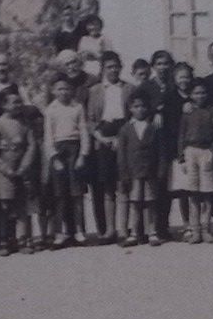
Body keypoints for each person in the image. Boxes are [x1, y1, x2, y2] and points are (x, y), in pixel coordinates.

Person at [87, 51, 133, 243]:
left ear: (121, 67)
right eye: (109, 67)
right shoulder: (95, 90)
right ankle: (109, 230)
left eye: (116, 66)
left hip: (124, 135)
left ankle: (123, 229)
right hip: (103, 137)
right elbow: (90, 120)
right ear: (103, 69)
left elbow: (133, 117)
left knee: (123, 184)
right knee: (107, 186)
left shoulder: (129, 88)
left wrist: (121, 139)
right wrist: (101, 138)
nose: (113, 70)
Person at [0, 89, 39, 255]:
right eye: (13, 102)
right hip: (5, 172)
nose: (18, 105)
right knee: (5, 205)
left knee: (22, 206)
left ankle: (23, 238)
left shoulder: (25, 123)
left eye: (19, 101)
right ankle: (5, 239)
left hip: (23, 169)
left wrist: (24, 166)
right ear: (4, 105)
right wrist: (5, 168)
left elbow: (32, 146)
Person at [44, 73, 91, 248]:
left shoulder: (77, 107)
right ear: (53, 91)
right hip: (58, 151)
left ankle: (79, 231)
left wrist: (82, 155)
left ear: (72, 90)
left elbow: (84, 131)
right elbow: (48, 137)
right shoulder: (51, 110)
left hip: (75, 149)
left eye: (67, 88)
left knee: (77, 194)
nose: (63, 92)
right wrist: (54, 157)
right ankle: (60, 233)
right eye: (59, 89)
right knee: (59, 195)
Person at [177, 79, 213, 244]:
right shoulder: (187, 112)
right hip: (190, 152)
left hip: (207, 152)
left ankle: (206, 229)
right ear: (190, 95)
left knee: (207, 193)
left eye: (203, 92)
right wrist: (181, 157)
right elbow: (181, 136)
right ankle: (195, 230)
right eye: (196, 93)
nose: (200, 96)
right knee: (193, 194)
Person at [116, 89, 162, 247]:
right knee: (135, 203)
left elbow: (160, 151)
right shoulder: (125, 129)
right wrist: (124, 174)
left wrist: (160, 170)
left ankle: (152, 232)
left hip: (150, 171)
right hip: (133, 172)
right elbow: (121, 155)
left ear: (147, 108)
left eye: (143, 106)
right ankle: (134, 233)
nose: (140, 109)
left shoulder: (153, 128)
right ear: (130, 109)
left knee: (150, 202)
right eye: (136, 106)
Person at [140, 50, 175, 236]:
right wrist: (155, 112)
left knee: (166, 183)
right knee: (153, 183)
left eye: (166, 63)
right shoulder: (146, 86)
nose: (163, 67)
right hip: (152, 140)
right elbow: (139, 109)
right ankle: (150, 227)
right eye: (159, 64)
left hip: (169, 139)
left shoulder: (173, 84)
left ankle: (164, 225)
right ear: (153, 66)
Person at [163, 62, 195, 238]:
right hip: (178, 148)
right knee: (182, 189)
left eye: (187, 76)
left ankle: (196, 221)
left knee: (195, 188)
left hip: (196, 147)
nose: (184, 80)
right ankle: (186, 223)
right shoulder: (170, 98)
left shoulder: (196, 96)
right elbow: (169, 125)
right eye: (180, 77)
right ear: (175, 79)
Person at [77, 14, 113, 79]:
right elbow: (79, 56)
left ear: (100, 26)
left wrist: (95, 56)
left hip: (98, 70)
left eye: (96, 24)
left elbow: (109, 58)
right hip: (85, 69)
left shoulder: (104, 39)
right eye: (90, 25)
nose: (93, 27)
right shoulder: (84, 39)